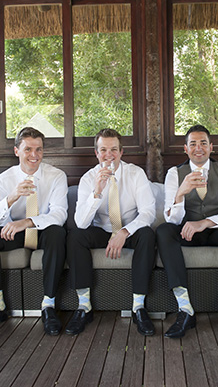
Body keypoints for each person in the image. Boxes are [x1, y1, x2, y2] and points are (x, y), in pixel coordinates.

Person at [157, 125, 218, 340]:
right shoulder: (174, 173)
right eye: (193, 144)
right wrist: (181, 193)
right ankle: (185, 309)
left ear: (211, 147)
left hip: (217, 230)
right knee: (163, 231)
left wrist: (206, 222)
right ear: (186, 149)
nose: (198, 148)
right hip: (187, 233)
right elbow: (171, 218)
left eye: (203, 143)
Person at [0, 127, 68, 335]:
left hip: (41, 229)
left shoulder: (56, 176)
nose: (34, 155)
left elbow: (59, 214)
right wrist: (11, 198)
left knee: (57, 233)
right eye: (28, 149)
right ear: (16, 151)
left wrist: (27, 221)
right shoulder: (3, 180)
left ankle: (49, 304)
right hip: (13, 233)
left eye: (39, 149)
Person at [66, 129, 156, 336]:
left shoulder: (135, 174)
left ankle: (138, 306)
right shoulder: (88, 178)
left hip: (129, 230)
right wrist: (97, 190)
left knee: (147, 234)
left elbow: (148, 213)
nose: (109, 155)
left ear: (121, 152)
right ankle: (84, 306)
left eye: (114, 149)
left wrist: (124, 232)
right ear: (97, 153)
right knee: (75, 236)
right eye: (104, 150)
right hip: (101, 230)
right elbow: (81, 223)